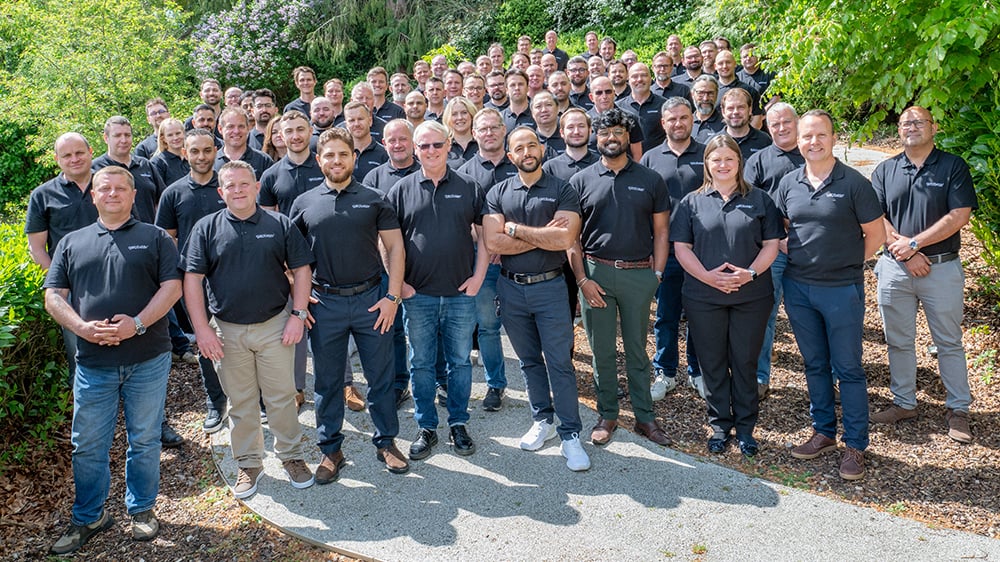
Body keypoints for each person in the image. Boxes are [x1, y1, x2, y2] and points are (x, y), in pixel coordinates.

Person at [44, 166, 181, 554]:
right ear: (93, 195)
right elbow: (54, 295)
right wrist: (82, 328)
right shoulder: (72, 242)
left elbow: (172, 288)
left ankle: (141, 510)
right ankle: (90, 517)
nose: (113, 193)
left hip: (147, 357)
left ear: (133, 194)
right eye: (105, 188)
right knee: (87, 443)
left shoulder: (154, 238)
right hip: (92, 361)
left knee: (144, 438)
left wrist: (136, 324)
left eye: (121, 188)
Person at [183, 161, 315, 498]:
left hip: (274, 325)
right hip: (226, 331)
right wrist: (202, 330)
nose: (238, 190)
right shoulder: (206, 228)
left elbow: (302, 270)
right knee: (240, 402)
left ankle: (292, 456)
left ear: (257, 188)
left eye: (245, 184)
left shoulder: (280, 224)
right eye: (231, 185)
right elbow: (192, 280)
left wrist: (297, 315)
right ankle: (248, 462)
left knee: (282, 397)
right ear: (220, 192)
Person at [774, 110, 885, 481]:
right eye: (807, 136)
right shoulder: (789, 182)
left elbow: (876, 235)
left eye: (820, 135)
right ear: (798, 140)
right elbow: (784, 225)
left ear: (833, 138)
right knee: (814, 364)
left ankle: (855, 444)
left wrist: (846, 262)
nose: (813, 142)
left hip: (841, 289)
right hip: (799, 288)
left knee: (848, 369)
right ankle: (823, 432)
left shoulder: (854, 183)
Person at [292, 128, 409, 478]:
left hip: (372, 301)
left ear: (353, 157)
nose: (336, 161)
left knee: (380, 377)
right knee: (327, 382)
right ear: (319, 160)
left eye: (343, 154)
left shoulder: (374, 199)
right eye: (329, 155)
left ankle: (386, 442)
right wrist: (300, 293)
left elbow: (396, 248)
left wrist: (393, 296)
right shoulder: (304, 203)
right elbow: (289, 256)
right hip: (324, 303)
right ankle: (331, 451)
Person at [482, 126, 590, 471]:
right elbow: (493, 243)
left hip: (550, 288)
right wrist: (546, 235)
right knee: (529, 361)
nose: (527, 151)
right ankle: (542, 419)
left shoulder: (562, 189)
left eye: (532, 145)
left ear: (541, 149)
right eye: (519, 148)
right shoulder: (498, 192)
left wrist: (513, 228)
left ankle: (570, 434)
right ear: (510, 156)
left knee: (559, 362)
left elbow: (566, 240)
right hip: (511, 289)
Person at [870, 106, 978, 444]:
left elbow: (959, 214)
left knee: (948, 341)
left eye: (918, 122)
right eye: (905, 123)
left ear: (933, 127)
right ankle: (904, 402)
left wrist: (915, 244)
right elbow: (876, 218)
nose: (911, 127)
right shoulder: (886, 170)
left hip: (941, 268)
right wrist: (906, 253)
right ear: (898, 131)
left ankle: (958, 409)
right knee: (897, 340)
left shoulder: (952, 166)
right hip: (894, 269)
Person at [671, 134, 783, 457]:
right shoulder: (691, 202)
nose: (723, 165)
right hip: (704, 295)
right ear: (707, 163)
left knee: (744, 361)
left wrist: (748, 274)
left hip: (751, 294)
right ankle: (720, 424)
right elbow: (682, 247)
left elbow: (771, 244)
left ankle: (746, 428)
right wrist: (708, 277)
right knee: (712, 362)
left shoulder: (760, 199)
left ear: (739, 163)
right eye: (716, 159)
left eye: (729, 159)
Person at [567, 108, 672, 447]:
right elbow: (572, 239)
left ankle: (645, 417)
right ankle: (607, 413)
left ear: (628, 137)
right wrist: (583, 280)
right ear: (595, 138)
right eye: (604, 133)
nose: (610, 138)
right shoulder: (580, 181)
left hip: (638, 274)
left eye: (617, 133)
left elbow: (661, 231)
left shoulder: (650, 179)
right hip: (595, 274)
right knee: (602, 351)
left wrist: (656, 273)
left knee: (638, 350)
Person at [385, 120, 488, 461]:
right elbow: (385, 244)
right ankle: (426, 427)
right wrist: (398, 284)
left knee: (459, 363)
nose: (430, 151)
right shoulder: (400, 190)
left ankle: (458, 423)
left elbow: (486, 237)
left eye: (436, 145)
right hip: (419, 297)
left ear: (448, 146)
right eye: (424, 146)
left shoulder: (469, 186)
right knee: (422, 365)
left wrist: (478, 277)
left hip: (460, 295)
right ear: (415, 149)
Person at [155, 129, 230, 434]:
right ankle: (216, 400)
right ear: (184, 153)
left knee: (245, 337)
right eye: (194, 151)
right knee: (204, 340)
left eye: (207, 150)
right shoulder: (173, 193)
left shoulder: (228, 187)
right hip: (194, 281)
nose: (201, 157)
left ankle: (258, 399)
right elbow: (167, 238)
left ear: (216, 151)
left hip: (234, 275)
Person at [258, 110, 328, 409]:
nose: (296, 136)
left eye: (301, 129)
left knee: (329, 328)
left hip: (326, 258)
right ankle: (297, 387)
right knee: (295, 327)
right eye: (290, 131)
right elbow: (268, 222)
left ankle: (346, 384)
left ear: (310, 130)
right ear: (280, 136)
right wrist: (284, 268)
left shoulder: (325, 165)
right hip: (287, 264)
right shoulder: (271, 175)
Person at [640, 97, 706, 400]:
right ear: (663, 123)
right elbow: (642, 208)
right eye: (672, 119)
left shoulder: (707, 154)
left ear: (692, 119)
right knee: (666, 315)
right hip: (665, 250)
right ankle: (665, 372)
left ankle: (697, 372)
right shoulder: (651, 159)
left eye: (683, 117)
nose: (678, 123)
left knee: (698, 313)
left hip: (701, 249)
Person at [25, 132, 98, 394]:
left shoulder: (109, 185)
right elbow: (36, 247)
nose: (74, 159)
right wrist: (59, 281)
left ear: (91, 151)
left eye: (79, 152)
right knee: (80, 358)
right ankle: (88, 421)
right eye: (67, 155)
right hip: (72, 288)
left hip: (118, 279)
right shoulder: (43, 195)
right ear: (57, 159)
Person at [746, 103, 804, 399]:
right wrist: (778, 239)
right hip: (774, 251)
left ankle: (829, 378)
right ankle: (759, 376)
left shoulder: (813, 155)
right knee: (765, 314)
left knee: (814, 317)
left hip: (814, 252)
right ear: (767, 127)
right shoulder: (758, 161)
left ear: (797, 123)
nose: (781, 128)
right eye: (774, 124)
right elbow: (750, 206)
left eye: (786, 122)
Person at [92, 116, 165, 224]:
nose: (124, 140)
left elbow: (163, 200)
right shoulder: (96, 168)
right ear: (106, 138)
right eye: (117, 136)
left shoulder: (145, 165)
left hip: (148, 235)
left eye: (127, 135)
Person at [617, 63, 667, 152]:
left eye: (644, 75)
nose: (639, 79)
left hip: (655, 161)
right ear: (628, 79)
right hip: (628, 163)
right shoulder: (618, 107)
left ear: (651, 78)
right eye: (635, 76)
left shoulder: (664, 104)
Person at [213, 107, 273, 180]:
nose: (236, 131)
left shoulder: (264, 161)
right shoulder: (212, 161)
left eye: (241, 126)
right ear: (220, 129)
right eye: (230, 127)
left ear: (248, 128)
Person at [341, 101, 388, 181]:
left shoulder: (384, 154)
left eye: (360, 119)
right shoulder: (341, 154)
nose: (356, 124)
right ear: (346, 125)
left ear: (370, 121)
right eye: (351, 120)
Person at [721, 88, 771, 159]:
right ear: (723, 112)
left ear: (750, 110)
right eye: (730, 108)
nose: (735, 112)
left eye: (741, 107)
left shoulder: (765, 141)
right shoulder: (713, 142)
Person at [150, 118, 189, 187]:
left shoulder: (191, 157)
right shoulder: (158, 162)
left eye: (178, 133)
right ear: (163, 138)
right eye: (170, 135)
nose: (175, 138)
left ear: (184, 133)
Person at [443, 96, 478, 166]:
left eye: (464, 113)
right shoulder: (443, 146)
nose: (460, 117)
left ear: (471, 115)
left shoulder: (482, 144)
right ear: (448, 118)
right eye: (454, 114)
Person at [691, 75, 725, 142]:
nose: (705, 98)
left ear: (717, 94)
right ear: (692, 94)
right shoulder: (686, 122)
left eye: (710, 93)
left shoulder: (725, 124)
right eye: (700, 93)